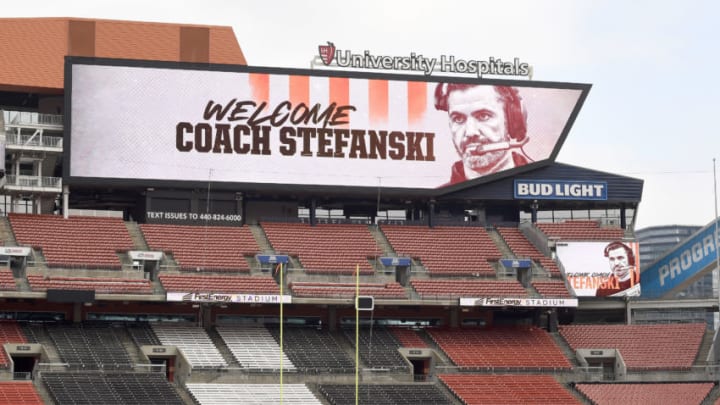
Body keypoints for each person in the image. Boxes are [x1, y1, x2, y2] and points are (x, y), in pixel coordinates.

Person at [434, 83, 533, 185]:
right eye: (458, 119)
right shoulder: (438, 196)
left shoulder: (538, 180)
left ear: (512, 121)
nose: (470, 132)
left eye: (484, 116)